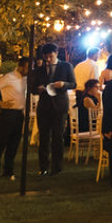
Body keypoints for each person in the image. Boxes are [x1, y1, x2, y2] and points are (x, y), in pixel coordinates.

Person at [31, 44, 74, 176]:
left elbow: (73, 83)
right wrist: (38, 89)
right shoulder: (39, 70)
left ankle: (57, 166)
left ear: (56, 53)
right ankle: (43, 167)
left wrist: (63, 84)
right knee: (43, 138)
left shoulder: (66, 66)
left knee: (57, 137)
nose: (48, 59)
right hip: (44, 106)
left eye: (51, 56)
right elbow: (32, 88)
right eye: (46, 57)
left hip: (59, 105)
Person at [0, 57, 30, 178]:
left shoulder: (26, 79)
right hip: (8, 113)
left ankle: (8, 169)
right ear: (21, 67)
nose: (28, 70)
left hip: (19, 114)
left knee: (14, 143)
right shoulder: (9, 77)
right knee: (1, 142)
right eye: (27, 68)